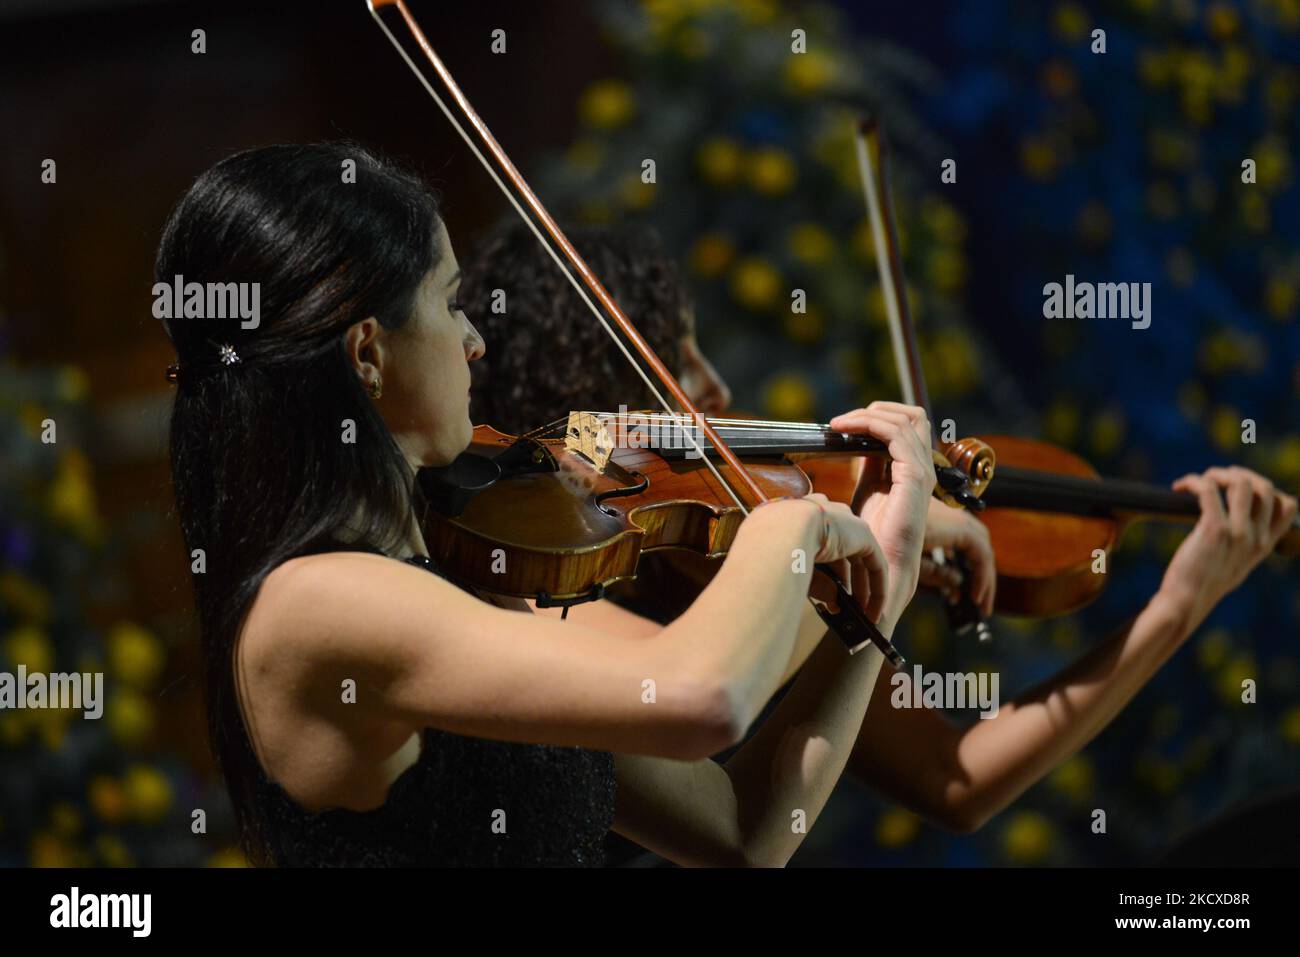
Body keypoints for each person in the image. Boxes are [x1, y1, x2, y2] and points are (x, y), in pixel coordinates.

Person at [158, 142, 937, 867]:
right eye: (450, 301)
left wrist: (881, 590)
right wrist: (791, 525)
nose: (475, 343)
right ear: (368, 353)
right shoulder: (318, 602)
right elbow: (705, 696)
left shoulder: (455, 573)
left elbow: (747, 832)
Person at [461, 221, 1298, 839]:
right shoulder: (530, 602)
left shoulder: (722, 548)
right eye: (678, 363)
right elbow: (704, 700)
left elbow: (952, 777)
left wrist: (1177, 606)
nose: (715, 390)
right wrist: (862, 545)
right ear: (592, 394)